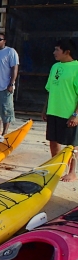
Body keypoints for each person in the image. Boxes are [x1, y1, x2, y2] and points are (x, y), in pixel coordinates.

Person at [42, 39, 78, 182]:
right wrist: (45, 108)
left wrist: (75, 114)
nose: (54, 52)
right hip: (54, 111)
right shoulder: (55, 66)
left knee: (72, 144)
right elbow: (50, 90)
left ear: (67, 52)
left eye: (57, 49)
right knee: (53, 140)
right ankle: (56, 167)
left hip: (69, 113)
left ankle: (72, 172)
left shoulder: (76, 67)